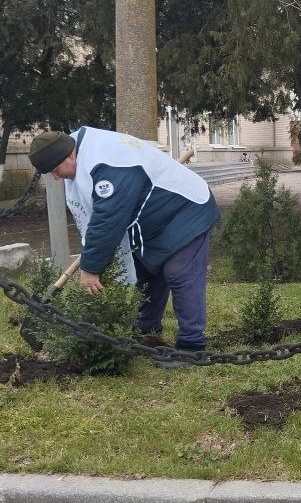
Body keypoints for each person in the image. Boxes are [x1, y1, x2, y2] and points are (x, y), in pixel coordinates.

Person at [28, 127, 220, 351]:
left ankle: (192, 344)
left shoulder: (108, 164)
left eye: (55, 169)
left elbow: (108, 219)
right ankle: (146, 330)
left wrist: (90, 268)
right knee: (147, 272)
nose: (56, 176)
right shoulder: (79, 151)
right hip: (152, 218)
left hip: (186, 210)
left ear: (69, 155)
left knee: (179, 272)